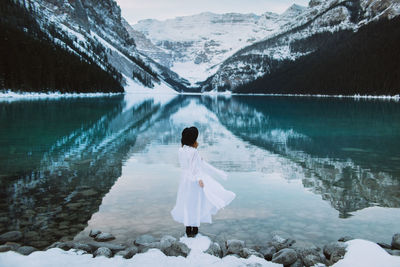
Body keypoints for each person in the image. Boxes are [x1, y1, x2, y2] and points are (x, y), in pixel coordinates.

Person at [171, 126, 236, 238]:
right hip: (194, 181)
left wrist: (198, 161)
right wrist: (199, 179)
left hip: (184, 180)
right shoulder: (194, 152)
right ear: (193, 139)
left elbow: (186, 166)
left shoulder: (180, 150)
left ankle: (188, 229)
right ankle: (195, 229)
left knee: (187, 202)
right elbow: (195, 169)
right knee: (196, 203)